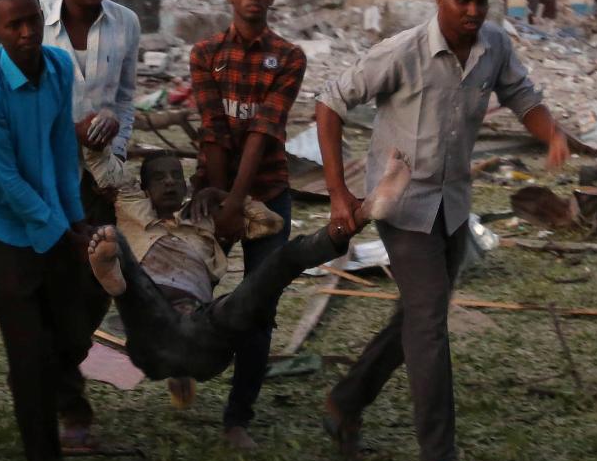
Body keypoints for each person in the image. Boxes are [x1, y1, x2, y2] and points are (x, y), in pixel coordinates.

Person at [316, 0, 571, 461]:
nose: (473, 12)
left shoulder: (494, 47)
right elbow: (330, 102)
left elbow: (521, 95)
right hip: (401, 205)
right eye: (463, 1)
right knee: (429, 324)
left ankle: (346, 401)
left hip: (453, 205)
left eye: (481, 2)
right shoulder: (402, 53)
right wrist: (339, 195)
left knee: (415, 316)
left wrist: (551, 133)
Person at [87, 151, 413, 383]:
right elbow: (99, 161)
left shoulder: (205, 219)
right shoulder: (132, 209)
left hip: (203, 334)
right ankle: (117, 281)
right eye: (159, 178)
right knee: (115, 243)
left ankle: (362, 214)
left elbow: (268, 224)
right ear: (144, 189)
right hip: (150, 339)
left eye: (177, 176)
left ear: (188, 186)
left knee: (280, 261)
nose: (170, 183)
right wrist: (98, 127)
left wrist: (227, 199)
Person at [0, 0, 94, 461]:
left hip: (52, 218)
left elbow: (63, 147)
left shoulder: (59, 67)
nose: (25, 32)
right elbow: (5, 180)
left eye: (31, 20)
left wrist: (74, 218)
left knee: (75, 333)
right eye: (12, 24)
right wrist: (60, 231)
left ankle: (34, 384)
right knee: (31, 353)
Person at [187, 0, 306, 450]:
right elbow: (213, 128)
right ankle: (182, 363)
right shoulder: (205, 54)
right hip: (211, 194)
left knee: (260, 304)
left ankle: (238, 418)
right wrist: (220, 204)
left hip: (268, 194)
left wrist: (238, 204)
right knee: (186, 291)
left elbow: (263, 132)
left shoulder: (289, 57)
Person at [41, 0, 141, 220]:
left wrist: (117, 154)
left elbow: (124, 97)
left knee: (98, 255)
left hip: (99, 172)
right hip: (46, 169)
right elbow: (22, 100)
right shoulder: (36, 18)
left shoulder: (126, 22)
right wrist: (73, 131)